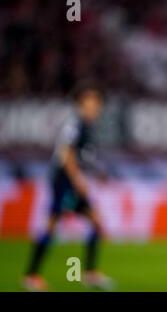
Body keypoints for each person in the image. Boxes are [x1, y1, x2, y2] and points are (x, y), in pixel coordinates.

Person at [23, 82, 112, 291]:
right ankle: (31, 275)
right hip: (64, 181)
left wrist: (98, 174)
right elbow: (66, 154)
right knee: (52, 224)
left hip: (71, 180)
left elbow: (82, 156)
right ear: (81, 104)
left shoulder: (87, 126)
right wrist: (78, 180)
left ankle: (89, 274)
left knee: (96, 222)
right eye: (91, 102)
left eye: (97, 103)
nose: (95, 107)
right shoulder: (75, 124)